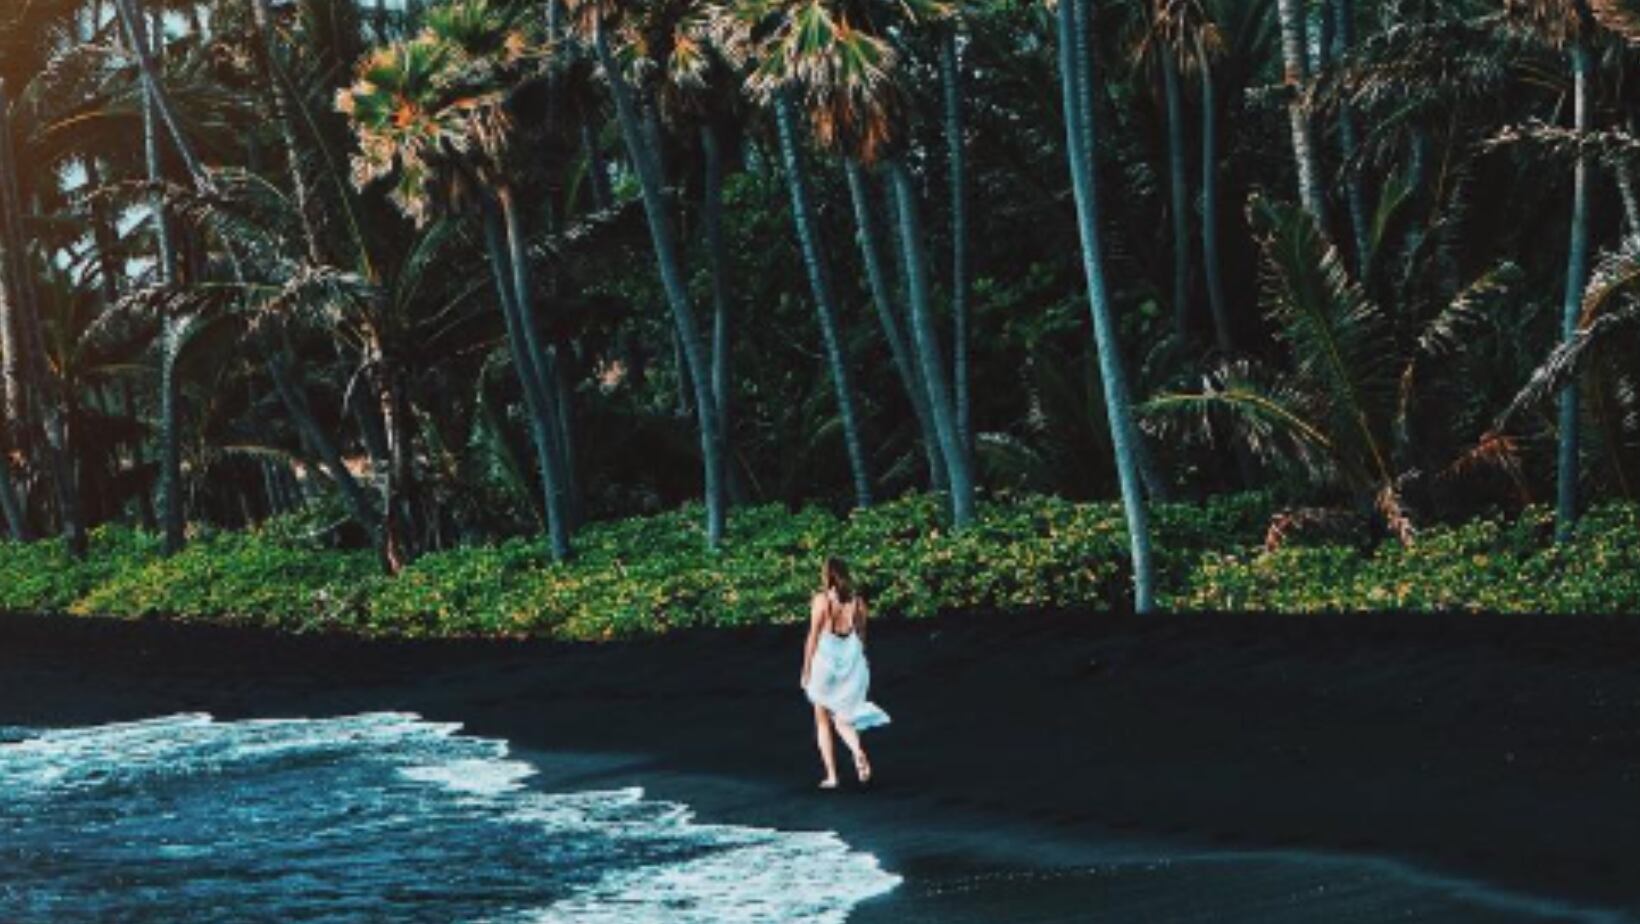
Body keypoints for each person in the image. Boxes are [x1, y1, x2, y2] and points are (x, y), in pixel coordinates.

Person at [800, 557, 889, 789]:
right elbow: (861, 637)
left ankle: (832, 775)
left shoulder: (821, 600)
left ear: (827, 575)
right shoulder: (858, 602)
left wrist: (806, 670)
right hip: (850, 660)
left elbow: (813, 637)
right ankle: (857, 751)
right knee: (843, 717)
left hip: (826, 661)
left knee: (822, 718)